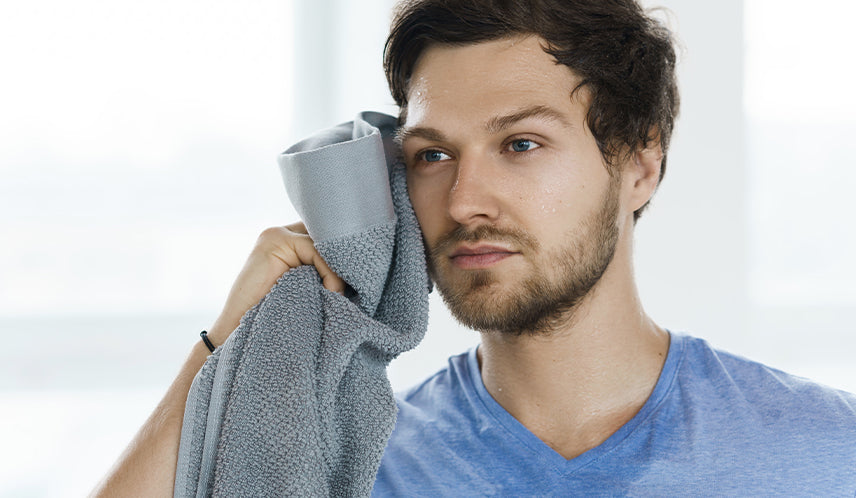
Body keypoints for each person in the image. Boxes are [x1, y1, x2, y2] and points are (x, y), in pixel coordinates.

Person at [95, 0, 856, 496]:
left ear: (638, 164)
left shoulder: (828, 453)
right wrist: (222, 348)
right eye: (432, 155)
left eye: (521, 144)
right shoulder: (359, 465)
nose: (463, 201)